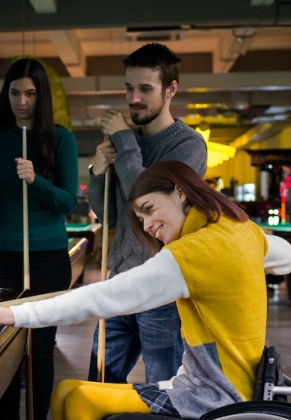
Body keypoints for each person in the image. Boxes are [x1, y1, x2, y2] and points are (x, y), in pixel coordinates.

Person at [0, 160, 291, 420]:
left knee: (77, 401)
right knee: (65, 394)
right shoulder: (241, 231)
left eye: (150, 209)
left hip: (211, 398)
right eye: (139, 218)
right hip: (223, 388)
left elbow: (104, 297)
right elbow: (288, 257)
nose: (147, 225)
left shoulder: (194, 253)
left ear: (181, 191)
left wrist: (13, 315)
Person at [0, 58, 78, 420]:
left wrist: (36, 180)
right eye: (14, 93)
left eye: (30, 94)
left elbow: (68, 201)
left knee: (39, 352)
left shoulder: (61, 139)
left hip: (48, 257)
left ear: (41, 96)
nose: (21, 101)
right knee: (4, 354)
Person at [86, 43, 208, 386]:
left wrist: (125, 140)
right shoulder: (122, 145)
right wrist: (97, 170)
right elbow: (106, 214)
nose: (133, 98)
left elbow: (148, 200)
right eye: (128, 88)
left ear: (171, 89)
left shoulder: (188, 146)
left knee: (163, 386)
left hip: (161, 286)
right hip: (120, 280)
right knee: (99, 383)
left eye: (144, 89)